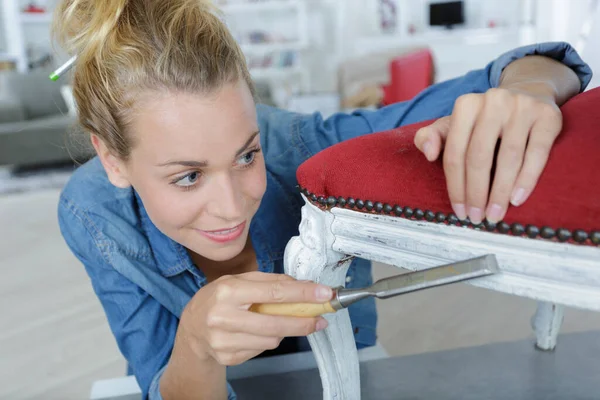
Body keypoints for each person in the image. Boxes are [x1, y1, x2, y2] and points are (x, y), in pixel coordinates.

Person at [52, 0, 591, 399]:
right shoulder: (93, 215)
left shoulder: (301, 145)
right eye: (188, 177)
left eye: (246, 156)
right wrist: (195, 340)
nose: (233, 206)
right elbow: (161, 383)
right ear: (112, 160)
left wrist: (526, 93)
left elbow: (533, 67)